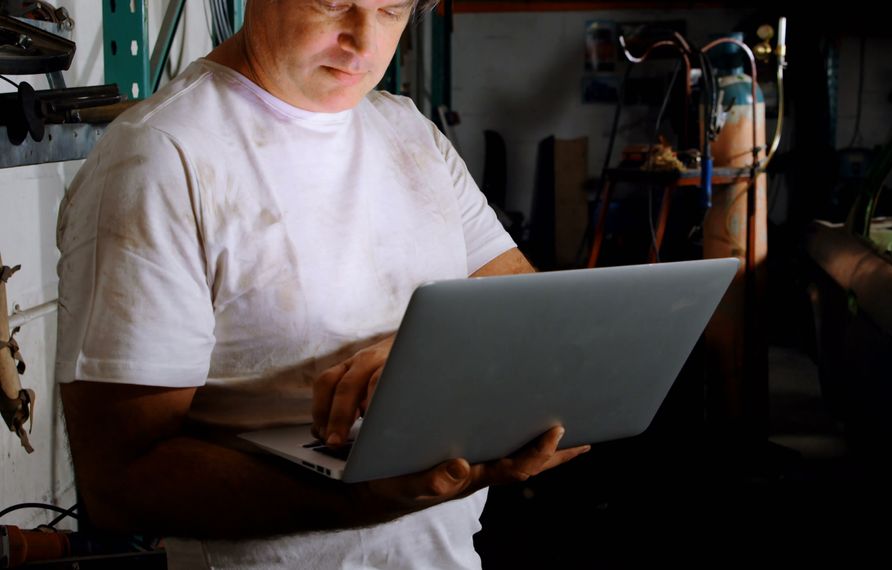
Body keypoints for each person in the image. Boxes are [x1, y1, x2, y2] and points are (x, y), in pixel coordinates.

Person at [54, 0, 589, 568]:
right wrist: (362, 494)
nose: (363, 41)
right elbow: (119, 480)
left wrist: (432, 357)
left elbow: (524, 311)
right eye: (335, 3)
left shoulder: (409, 131)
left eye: (391, 10)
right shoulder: (161, 158)